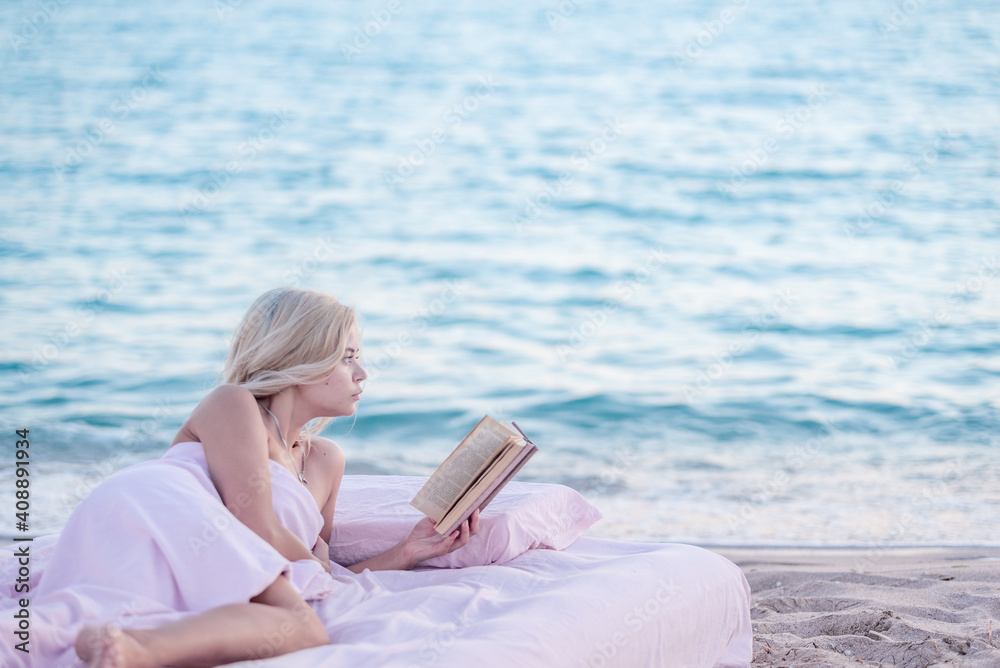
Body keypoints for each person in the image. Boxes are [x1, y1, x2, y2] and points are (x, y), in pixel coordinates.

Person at [36, 287, 480, 668]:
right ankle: (135, 646)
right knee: (302, 629)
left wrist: (407, 552)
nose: (362, 374)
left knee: (292, 624)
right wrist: (328, 572)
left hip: (223, 545)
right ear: (301, 358)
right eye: (347, 359)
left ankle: (122, 645)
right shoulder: (233, 404)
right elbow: (258, 524)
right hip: (159, 510)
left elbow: (310, 570)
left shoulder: (327, 460)